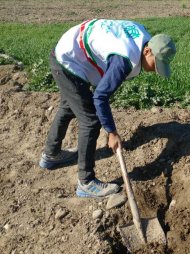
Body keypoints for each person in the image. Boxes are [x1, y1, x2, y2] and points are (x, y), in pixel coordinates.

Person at [39, 18, 176, 198]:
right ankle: (86, 182)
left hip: (70, 50)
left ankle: (51, 155)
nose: (155, 70)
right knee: (91, 120)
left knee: (69, 105)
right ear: (148, 50)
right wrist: (111, 132)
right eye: (156, 64)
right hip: (67, 60)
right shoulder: (124, 58)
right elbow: (100, 96)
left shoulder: (144, 38)